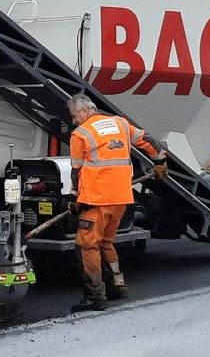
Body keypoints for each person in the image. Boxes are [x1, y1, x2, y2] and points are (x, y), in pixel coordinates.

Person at [66, 94, 162, 312]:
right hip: (121, 197)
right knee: (105, 242)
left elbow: (76, 172)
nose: (73, 121)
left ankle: (94, 296)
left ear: (84, 111)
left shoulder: (80, 134)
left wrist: (73, 199)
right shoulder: (120, 123)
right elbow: (149, 140)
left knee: (87, 245)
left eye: (74, 115)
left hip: (96, 199)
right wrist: (160, 161)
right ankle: (118, 286)